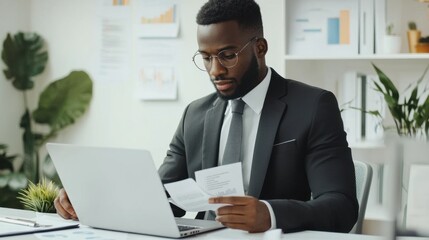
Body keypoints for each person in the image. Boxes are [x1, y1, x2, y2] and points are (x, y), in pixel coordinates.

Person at [54, 0, 358, 234]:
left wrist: (269, 213)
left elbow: (342, 207)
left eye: (227, 55)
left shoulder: (313, 106)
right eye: (207, 57)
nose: (215, 71)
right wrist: (92, 201)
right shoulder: (195, 115)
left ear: (260, 48)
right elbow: (161, 199)